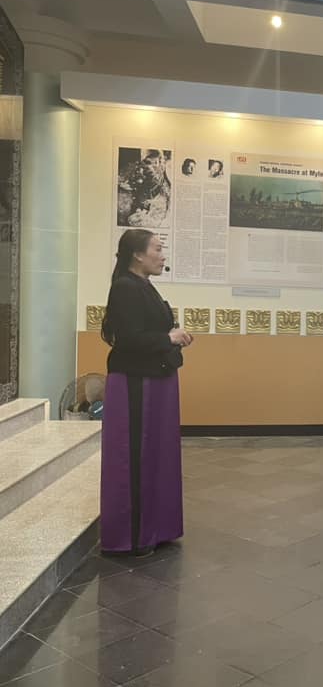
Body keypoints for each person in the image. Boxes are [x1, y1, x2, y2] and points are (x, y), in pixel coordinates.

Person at [100, 229, 192, 557]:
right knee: (137, 457)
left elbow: (147, 331)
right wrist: (168, 338)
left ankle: (157, 527)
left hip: (156, 379)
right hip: (137, 383)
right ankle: (135, 536)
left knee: (157, 455)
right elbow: (128, 339)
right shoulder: (126, 287)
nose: (162, 255)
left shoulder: (144, 285)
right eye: (157, 248)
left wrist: (172, 336)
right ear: (137, 255)